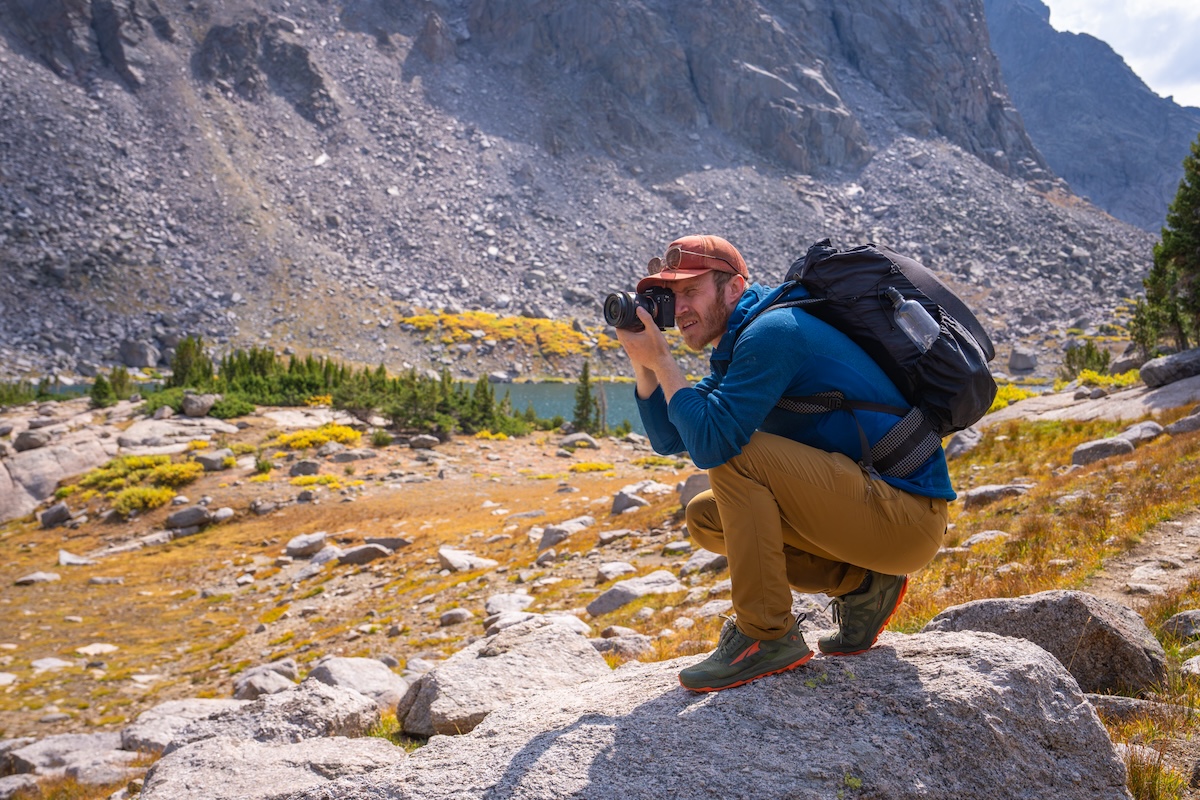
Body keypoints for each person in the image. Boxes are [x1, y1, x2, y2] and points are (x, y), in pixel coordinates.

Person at [615, 234, 954, 692]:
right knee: (707, 517)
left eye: (691, 291)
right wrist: (646, 365)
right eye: (672, 296)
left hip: (906, 519)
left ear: (734, 288)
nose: (679, 310)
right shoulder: (740, 343)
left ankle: (765, 635)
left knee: (737, 455)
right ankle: (862, 585)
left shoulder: (773, 333)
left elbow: (714, 443)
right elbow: (671, 437)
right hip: (876, 513)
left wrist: (664, 361)